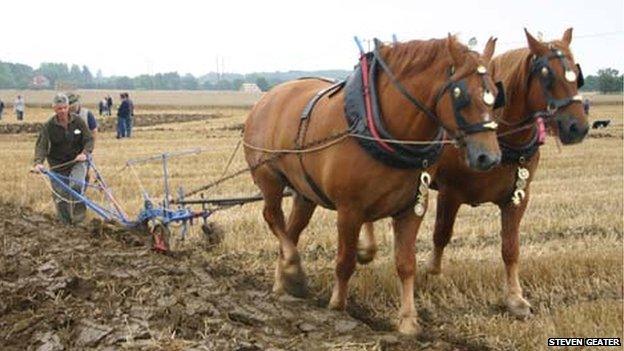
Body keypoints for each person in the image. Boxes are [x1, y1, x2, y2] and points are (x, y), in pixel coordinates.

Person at [32, 93, 94, 224]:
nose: (62, 111)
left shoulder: (78, 121)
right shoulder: (48, 126)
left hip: (77, 162)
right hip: (58, 165)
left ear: (68, 107)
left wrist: (85, 153)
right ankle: (65, 225)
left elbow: (89, 139)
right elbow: (41, 146)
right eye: (59, 108)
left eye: (65, 107)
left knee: (77, 185)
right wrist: (38, 163)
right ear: (54, 109)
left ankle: (79, 220)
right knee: (60, 195)